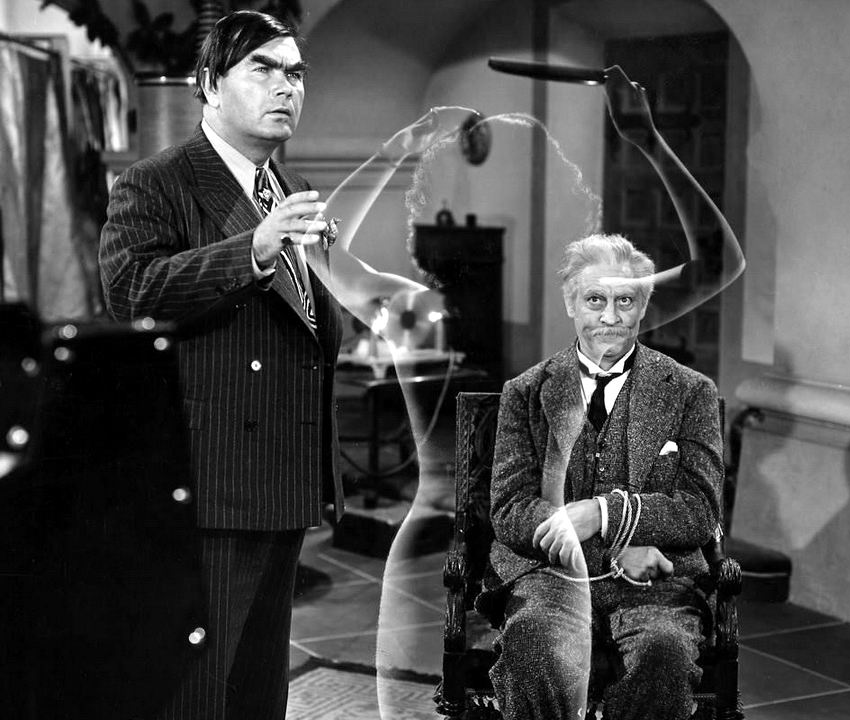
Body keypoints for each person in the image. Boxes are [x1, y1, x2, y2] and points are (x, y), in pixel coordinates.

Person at [98, 10, 429, 718]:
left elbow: (302, 325)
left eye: (296, 74)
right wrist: (251, 250)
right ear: (209, 83)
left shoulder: (285, 186)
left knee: (256, 688)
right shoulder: (157, 182)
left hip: (283, 475)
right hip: (208, 480)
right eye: (263, 70)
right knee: (198, 691)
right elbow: (130, 294)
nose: (286, 87)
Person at [482, 232, 724, 720]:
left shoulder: (690, 391)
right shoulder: (525, 392)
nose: (610, 317)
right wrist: (614, 553)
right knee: (535, 646)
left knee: (663, 652)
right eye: (595, 299)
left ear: (643, 307)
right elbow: (509, 509)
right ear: (571, 303)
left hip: (658, 585)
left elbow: (701, 510)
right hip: (549, 577)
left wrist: (603, 513)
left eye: (625, 301)